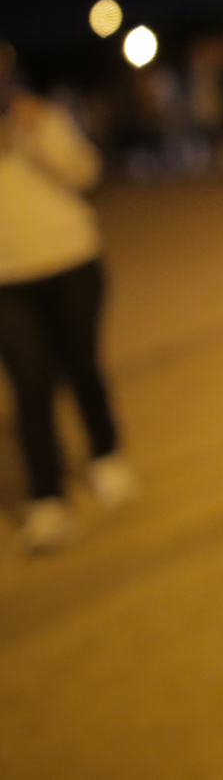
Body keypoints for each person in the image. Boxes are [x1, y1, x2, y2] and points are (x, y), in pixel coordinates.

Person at [0, 42, 139, 554]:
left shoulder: (43, 118)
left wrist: (36, 130)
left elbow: (84, 173)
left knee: (82, 364)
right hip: (6, 279)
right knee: (30, 384)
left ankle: (106, 454)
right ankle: (46, 495)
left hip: (71, 260)